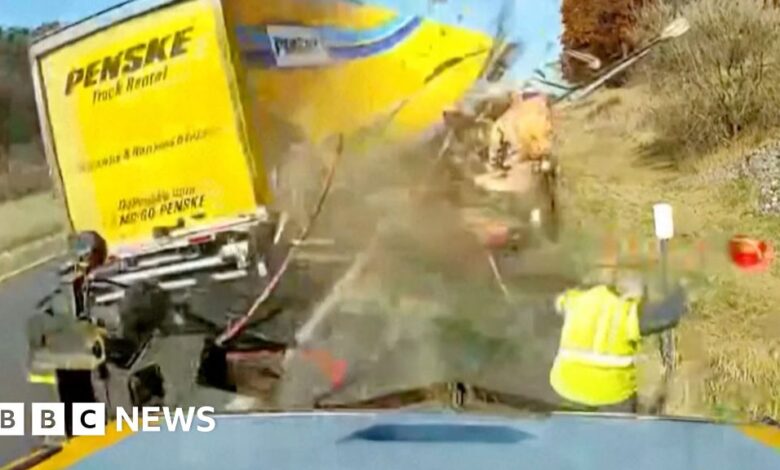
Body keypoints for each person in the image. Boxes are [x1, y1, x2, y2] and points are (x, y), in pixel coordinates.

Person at [549, 269, 688, 413]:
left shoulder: (575, 301)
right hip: (614, 393)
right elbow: (666, 317)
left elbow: (560, 300)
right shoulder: (626, 312)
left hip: (565, 386)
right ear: (626, 292)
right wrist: (681, 288)